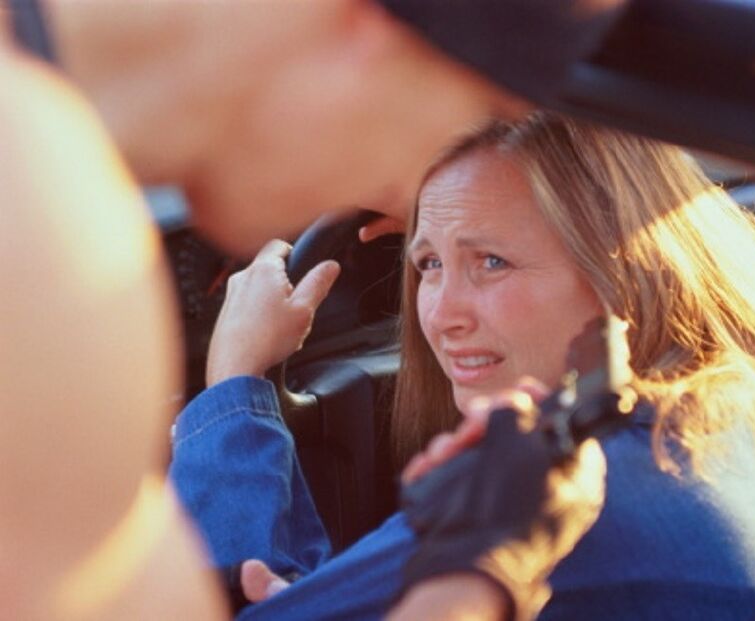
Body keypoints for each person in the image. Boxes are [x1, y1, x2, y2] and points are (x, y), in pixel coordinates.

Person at [1, 1, 625, 618]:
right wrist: (475, 571)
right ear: (368, 31)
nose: (386, 194)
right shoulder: (38, 234)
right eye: (430, 138)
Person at [170, 111, 755, 619]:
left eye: (492, 261)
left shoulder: (564, 500)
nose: (440, 313)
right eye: (426, 264)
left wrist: (236, 381)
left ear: (622, 271)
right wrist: (464, 210)